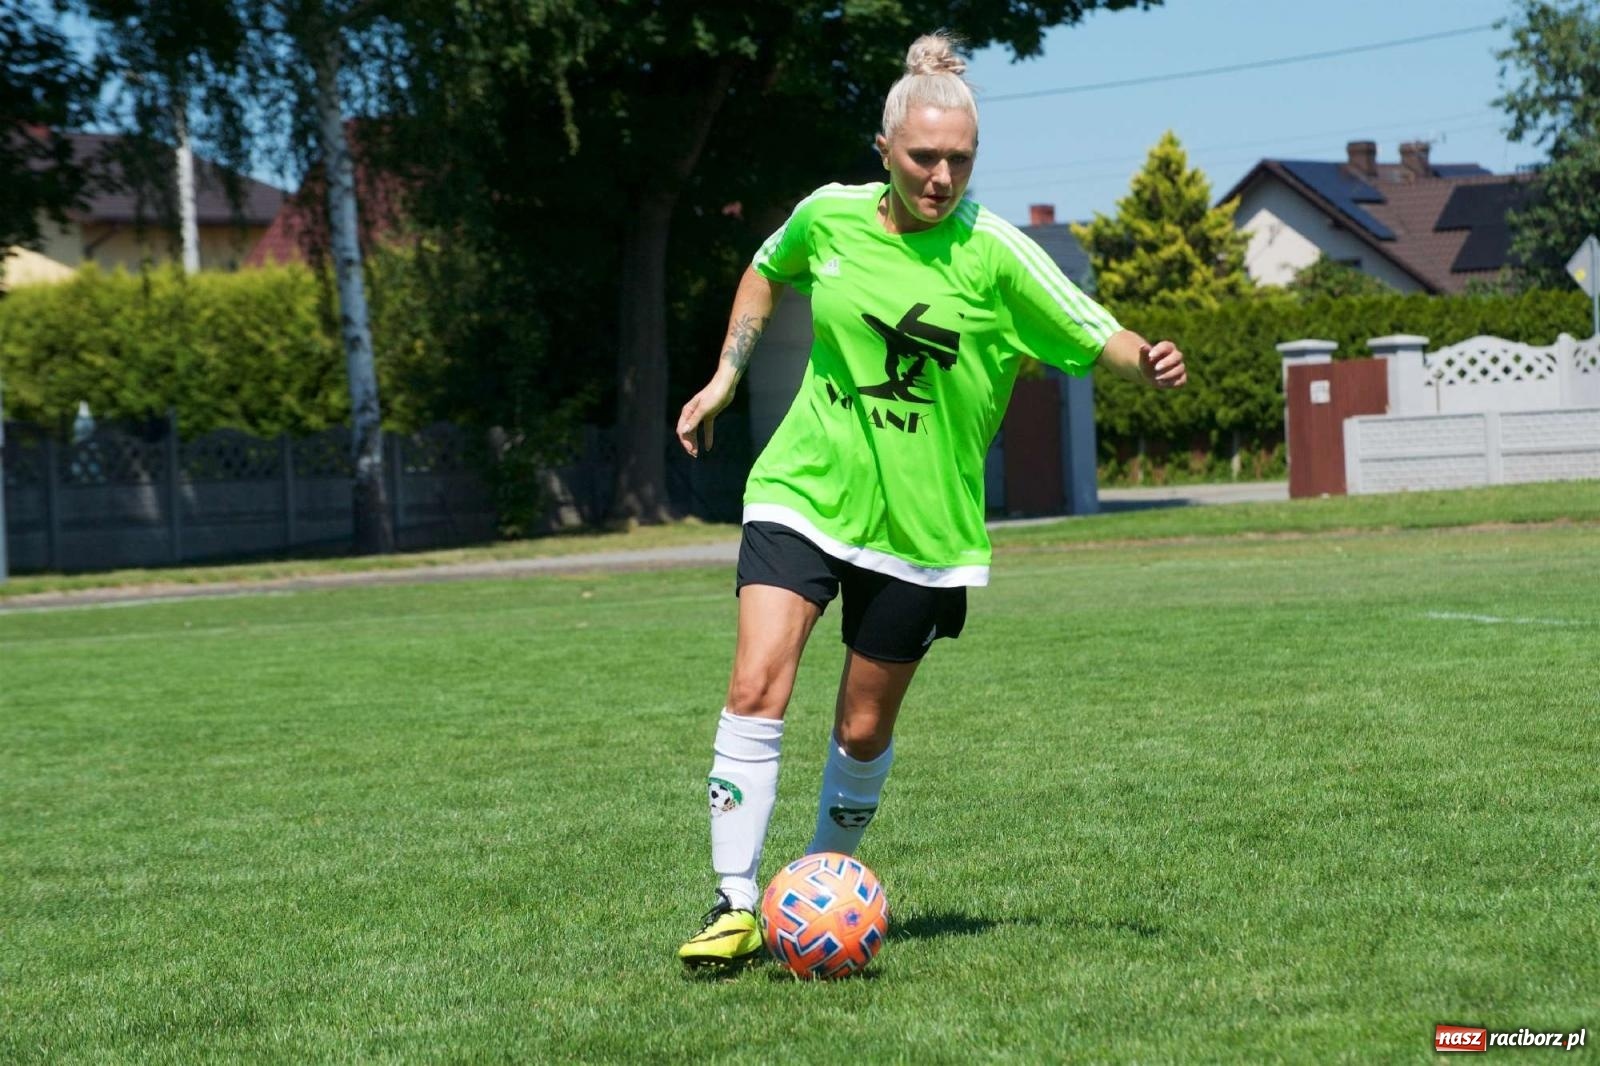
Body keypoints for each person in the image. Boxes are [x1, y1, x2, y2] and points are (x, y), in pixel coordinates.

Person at [672, 31, 1187, 970]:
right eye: (923, 158)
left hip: (923, 530)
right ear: (885, 150)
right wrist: (727, 376)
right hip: (805, 488)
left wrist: (1143, 360)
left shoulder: (994, 255)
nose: (942, 177)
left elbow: (1091, 328)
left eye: (959, 160)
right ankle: (734, 900)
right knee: (756, 685)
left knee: (862, 727)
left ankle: (819, 891)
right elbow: (767, 267)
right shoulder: (827, 217)